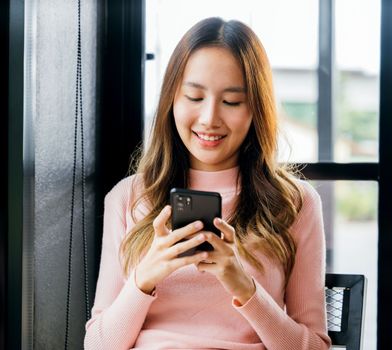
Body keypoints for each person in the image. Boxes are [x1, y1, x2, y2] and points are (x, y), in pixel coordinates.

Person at [84, 17, 331, 350]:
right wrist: (144, 278)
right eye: (194, 97)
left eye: (231, 102)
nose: (209, 118)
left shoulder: (295, 202)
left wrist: (244, 287)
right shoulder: (128, 197)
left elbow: (315, 346)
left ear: (256, 109)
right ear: (172, 98)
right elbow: (98, 345)